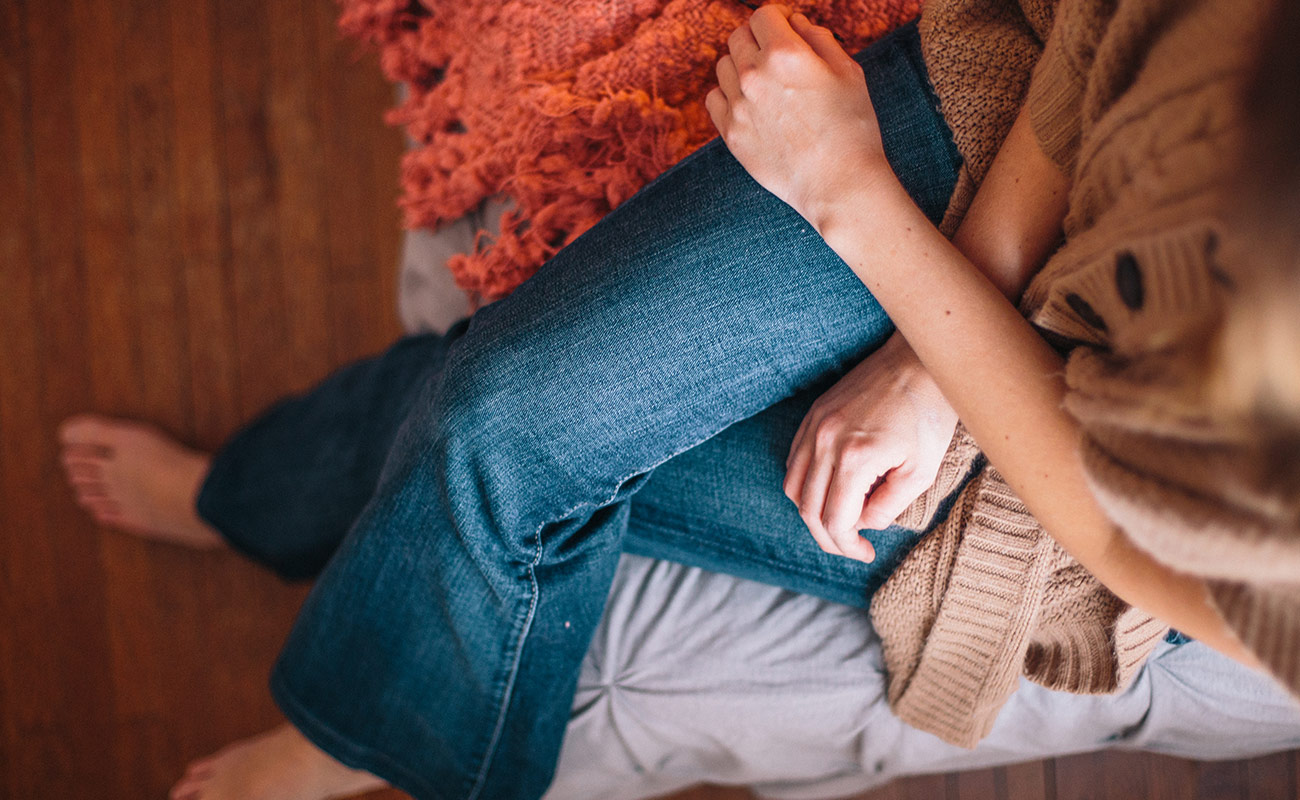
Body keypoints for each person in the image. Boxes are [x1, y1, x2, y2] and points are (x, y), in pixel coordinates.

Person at [57, 1, 1300, 799]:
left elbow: (1128, 532)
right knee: (501, 400)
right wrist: (933, 337)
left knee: (494, 423)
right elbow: (1097, 35)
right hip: (1015, 141)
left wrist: (855, 203)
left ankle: (339, 722)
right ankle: (252, 512)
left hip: (1060, 491)